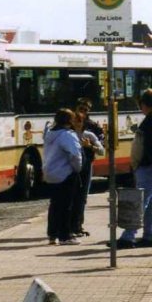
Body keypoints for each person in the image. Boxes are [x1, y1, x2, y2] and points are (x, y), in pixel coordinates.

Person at [42, 108, 83, 246]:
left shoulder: (50, 134)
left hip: (50, 172)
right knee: (66, 205)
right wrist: (77, 169)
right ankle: (65, 236)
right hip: (65, 173)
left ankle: (52, 234)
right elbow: (75, 155)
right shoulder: (67, 135)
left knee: (54, 204)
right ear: (69, 121)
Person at [122, 89, 152, 248]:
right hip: (147, 166)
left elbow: (143, 147)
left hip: (146, 166)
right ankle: (149, 235)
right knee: (149, 203)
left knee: (139, 202)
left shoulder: (148, 121)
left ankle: (128, 237)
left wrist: (136, 164)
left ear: (145, 105)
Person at [70, 98, 104, 238]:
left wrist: (90, 146)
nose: (84, 112)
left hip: (87, 162)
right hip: (71, 165)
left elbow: (101, 148)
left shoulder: (92, 127)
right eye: (81, 108)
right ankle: (69, 226)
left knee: (82, 196)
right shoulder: (69, 126)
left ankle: (78, 225)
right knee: (71, 195)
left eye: (86, 109)